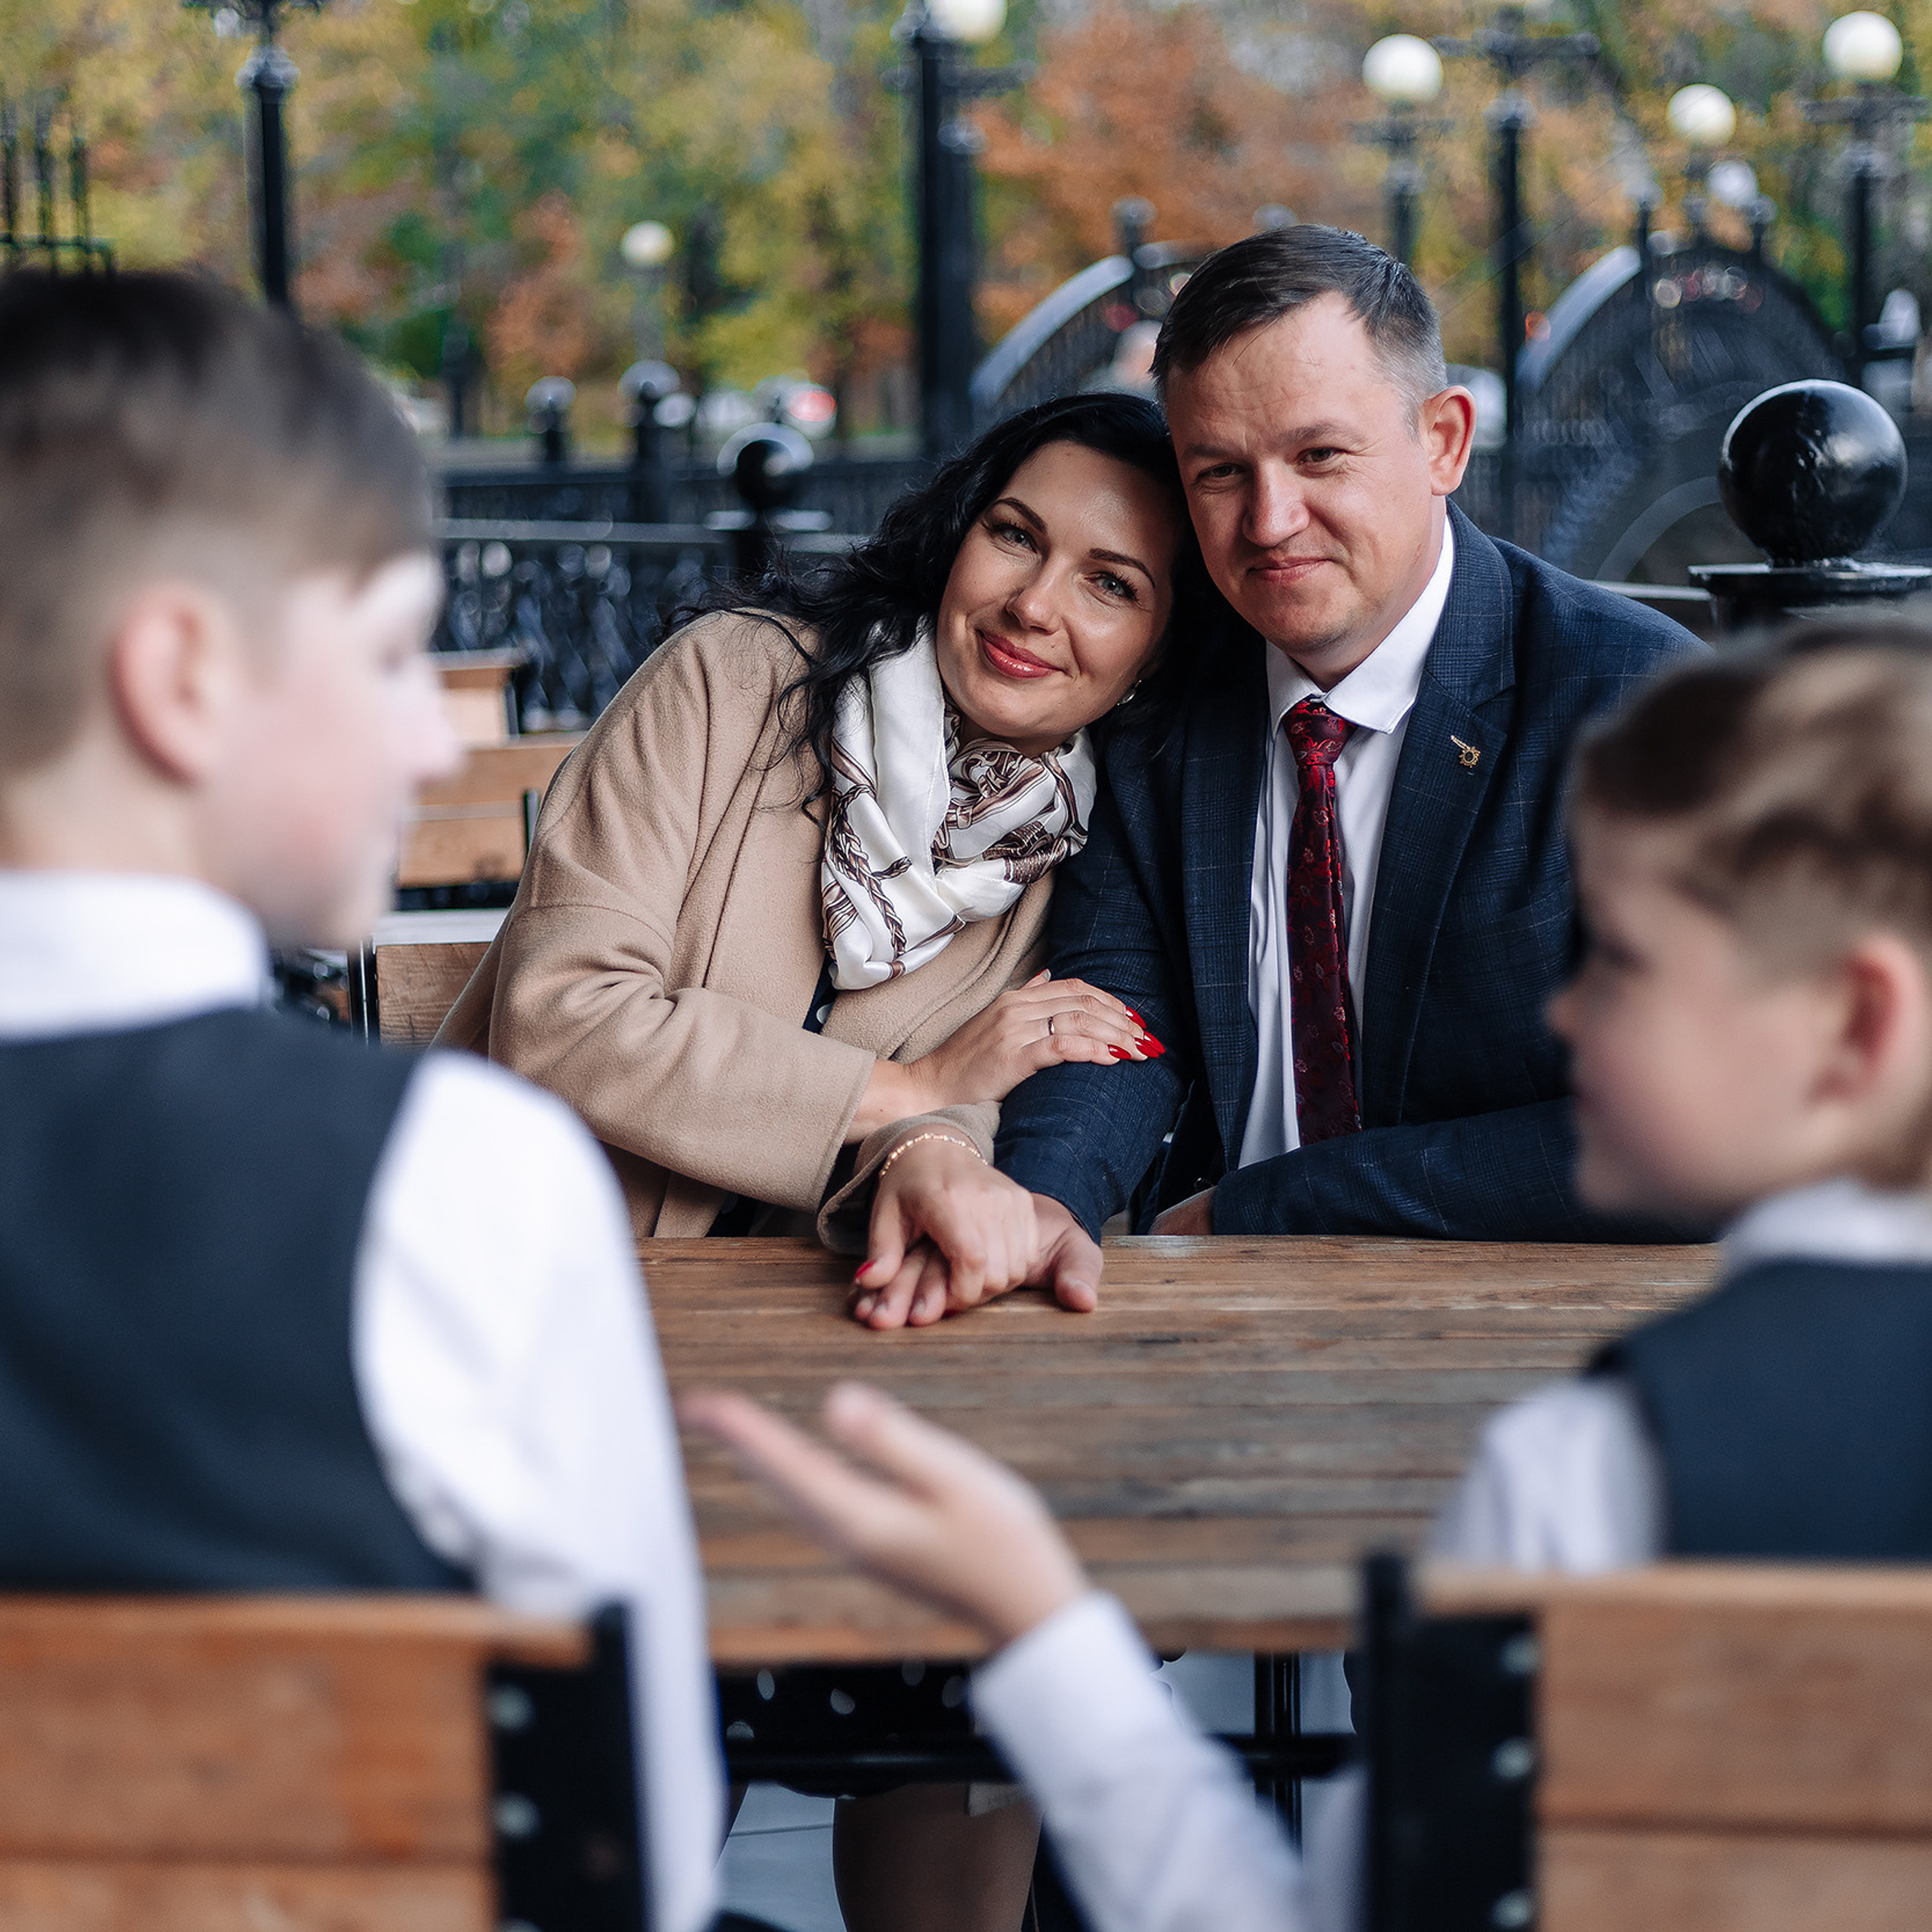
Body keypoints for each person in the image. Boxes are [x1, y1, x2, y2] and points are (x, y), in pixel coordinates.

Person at [686, 633, 1932, 1932]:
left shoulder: (1585, 1476)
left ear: (1858, 1022)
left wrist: (1044, 1627)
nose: (1566, 1016)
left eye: (1621, 961)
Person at [0, 269, 718, 1932]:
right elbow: (642, 1852)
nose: (428, 739)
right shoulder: (456, 1181)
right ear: (182, 674)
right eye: (396, 652)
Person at [438, 392, 1201, 1932]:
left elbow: (959, 1124)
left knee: (980, 1639)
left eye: (1110, 584)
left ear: (1154, 653)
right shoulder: (733, 683)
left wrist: (928, 1143)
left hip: (806, 1393)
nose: (1035, 604)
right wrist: (910, 1089)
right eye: (1015, 536)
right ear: (955, 531)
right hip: (536, 1362)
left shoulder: (1062, 857)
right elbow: (564, 1013)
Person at [861, 224, 1705, 1325]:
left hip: (1543, 1324)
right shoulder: (1164, 690)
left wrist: (1270, 1206)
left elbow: (1694, 1124)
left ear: (1444, 442)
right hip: (1203, 1320)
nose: (1269, 522)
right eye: (1220, 472)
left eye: (1319, 457)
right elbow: (1119, 1013)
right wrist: (1038, 1204)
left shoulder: (1634, 700)